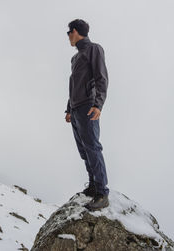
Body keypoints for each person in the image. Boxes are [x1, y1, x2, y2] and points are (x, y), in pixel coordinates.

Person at [64, 19, 109, 211]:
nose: (68, 38)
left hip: (88, 107)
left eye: (68, 34)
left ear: (74, 32)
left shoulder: (94, 49)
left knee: (93, 148)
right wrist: (68, 108)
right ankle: (92, 186)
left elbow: (101, 78)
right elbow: (74, 84)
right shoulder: (75, 58)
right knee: (84, 150)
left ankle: (102, 192)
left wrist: (98, 104)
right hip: (76, 110)